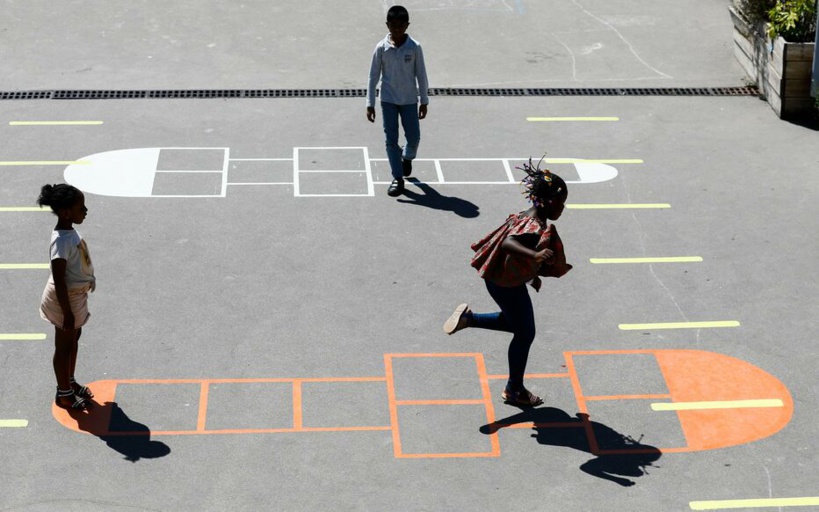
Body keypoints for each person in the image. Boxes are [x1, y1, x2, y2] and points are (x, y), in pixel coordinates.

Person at [443, 158, 572, 407]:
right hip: (506, 285)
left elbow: (515, 252)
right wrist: (535, 256)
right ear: (550, 201)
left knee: (517, 325)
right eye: (562, 202)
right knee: (525, 333)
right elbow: (508, 244)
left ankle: (469, 319)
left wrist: (531, 275)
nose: (564, 208)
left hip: (501, 280)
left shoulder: (528, 216)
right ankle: (514, 389)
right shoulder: (534, 225)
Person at [37, 184, 96, 411]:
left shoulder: (69, 230)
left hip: (75, 297)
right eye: (80, 207)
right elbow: (59, 280)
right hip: (65, 300)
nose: (86, 210)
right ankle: (63, 393)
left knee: (73, 339)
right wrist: (67, 312)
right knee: (63, 346)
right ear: (65, 213)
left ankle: (69, 381)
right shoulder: (60, 240)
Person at [366, 5, 429, 197]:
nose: (397, 30)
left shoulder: (414, 47)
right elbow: (373, 77)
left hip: (409, 100)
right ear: (387, 25)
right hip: (388, 100)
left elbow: (421, 75)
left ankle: (407, 157)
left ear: (407, 25)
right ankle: (397, 178)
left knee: (414, 138)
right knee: (390, 140)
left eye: (401, 26)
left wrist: (424, 100)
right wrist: (370, 103)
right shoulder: (381, 48)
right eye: (393, 26)